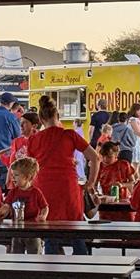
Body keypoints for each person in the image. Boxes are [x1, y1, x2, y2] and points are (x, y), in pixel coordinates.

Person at [27, 96, 100, 255]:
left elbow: (29, 168)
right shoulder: (70, 135)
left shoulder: (33, 140)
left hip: (44, 189)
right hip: (69, 188)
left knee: (50, 235)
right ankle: (83, 274)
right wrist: (91, 183)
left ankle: (55, 275)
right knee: (76, 233)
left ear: (40, 118)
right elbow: (95, 157)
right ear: (58, 116)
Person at [0, 157, 49, 255]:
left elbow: (45, 206)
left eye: (16, 175)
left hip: (32, 229)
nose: (13, 178)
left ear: (27, 177)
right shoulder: (13, 192)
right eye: (13, 175)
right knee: (16, 253)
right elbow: (7, 205)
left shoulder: (36, 192)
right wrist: (1, 211)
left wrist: (43, 216)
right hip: (17, 229)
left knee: (34, 253)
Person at [0, 111, 39, 189]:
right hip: (17, 182)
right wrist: (8, 180)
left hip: (33, 182)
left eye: (25, 123)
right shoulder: (17, 141)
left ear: (34, 126)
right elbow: (12, 163)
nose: (21, 125)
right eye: (20, 122)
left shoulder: (39, 140)